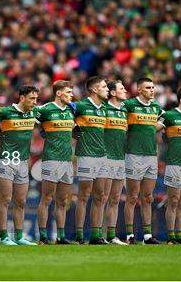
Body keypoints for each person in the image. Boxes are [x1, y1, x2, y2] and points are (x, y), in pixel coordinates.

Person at [0, 86, 39, 245]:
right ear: (22, 98)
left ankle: (19, 237)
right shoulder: (6, 112)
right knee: (5, 200)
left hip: (23, 162)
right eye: (31, 99)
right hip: (6, 160)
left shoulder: (34, 112)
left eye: (36, 99)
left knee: (21, 201)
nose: (34, 102)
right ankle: (4, 237)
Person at [123, 78, 163, 244]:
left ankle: (147, 236)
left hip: (151, 155)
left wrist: (154, 127)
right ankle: (129, 235)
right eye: (148, 87)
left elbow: (164, 120)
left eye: (153, 87)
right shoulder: (130, 105)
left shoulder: (155, 107)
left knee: (148, 196)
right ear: (139, 90)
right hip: (134, 155)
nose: (152, 90)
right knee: (132, 196)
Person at [36, 80, 75, 245]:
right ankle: (43, 237)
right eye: (68, 92)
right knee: (47, 198)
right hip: (51, 158)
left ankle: (60, 237)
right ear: (58, 93)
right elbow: (29, 118)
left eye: (72, 92)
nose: (71, 96)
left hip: (67, 159)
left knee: (63, 200)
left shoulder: (70, 110)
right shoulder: (45, 109)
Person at [157, 87, 181, 245]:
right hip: (174, 163)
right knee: (173, 200)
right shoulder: (170, 115)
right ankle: (171, 236)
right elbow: (156, 128)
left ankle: (180, 235)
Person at [74, 76, 109, 245]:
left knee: (100, 196)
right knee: (84, 195)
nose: (107, 89)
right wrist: (73, 129)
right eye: (104, 87)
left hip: (102, 156)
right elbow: (63, 114)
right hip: (86, 156)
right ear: (94, 90)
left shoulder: (104, 109)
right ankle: (80, 235)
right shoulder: (80, 106)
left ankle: (96, 235)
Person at [103, 80, 129, 245]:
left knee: (115, 198)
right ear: (112, 93)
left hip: (120, 159)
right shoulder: (104, 109)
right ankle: (98, 235)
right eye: (121, 89)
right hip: (106, 159)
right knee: (102, 198)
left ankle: (111, 236)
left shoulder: (125, 110)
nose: (125, 91)